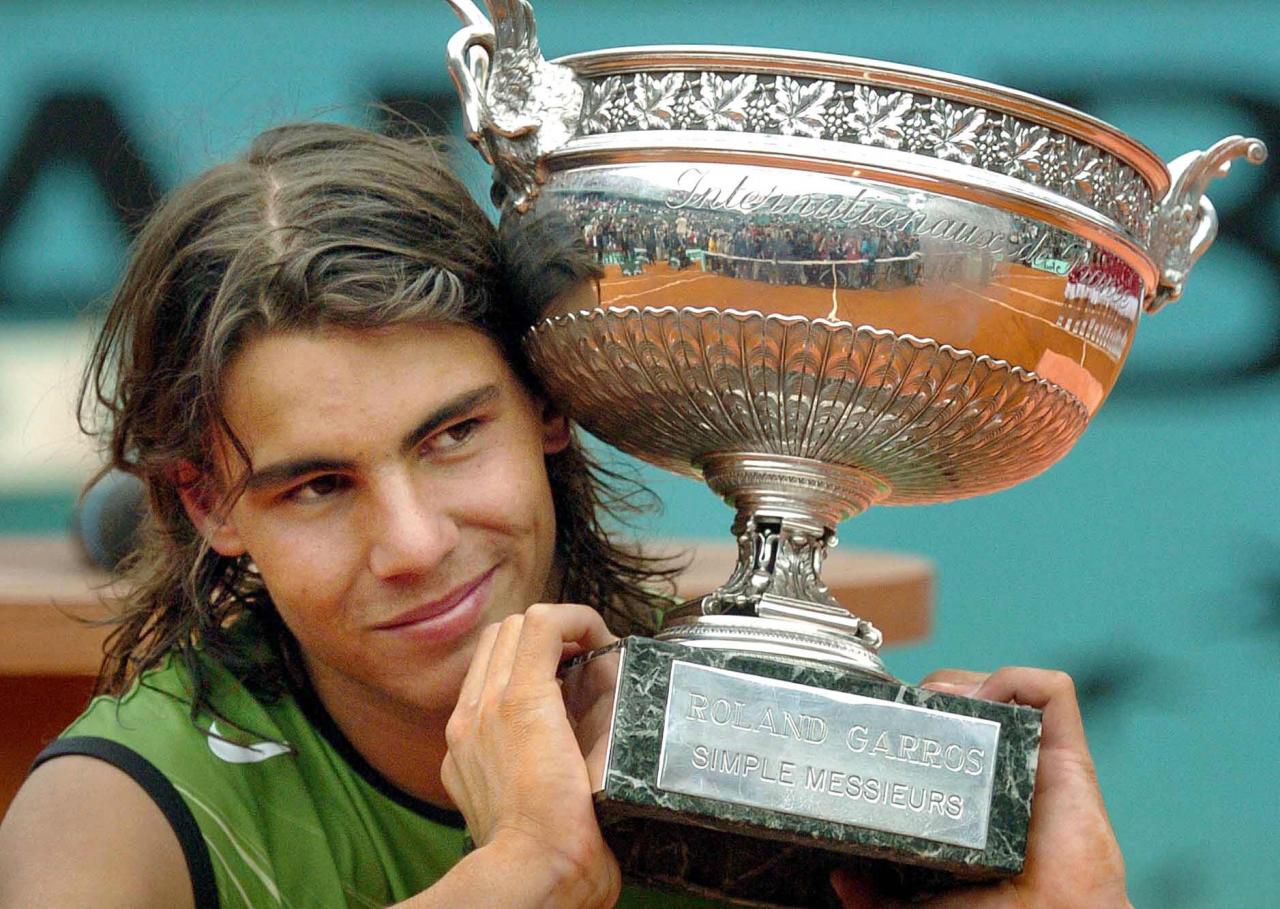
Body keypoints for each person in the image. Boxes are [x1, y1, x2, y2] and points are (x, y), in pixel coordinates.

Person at [0, 122, 1131, 909]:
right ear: (209, 506)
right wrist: (522, 877)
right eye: (317, 486)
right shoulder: (119, 806)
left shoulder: (750, 740)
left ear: (548, 408)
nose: (415, 544)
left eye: (451, 436)